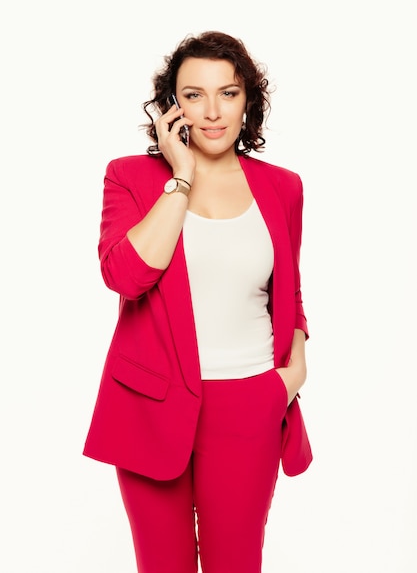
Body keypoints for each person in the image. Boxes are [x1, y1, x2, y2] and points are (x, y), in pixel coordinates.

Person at [83, 30, 312, 573]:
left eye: (228, 93)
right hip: (150, 405)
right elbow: (127, 277)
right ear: (171, 105)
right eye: (193, 95)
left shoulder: (283, 187)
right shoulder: (132, 178)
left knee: (236, 564)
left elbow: (289, 291)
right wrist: (180, 178)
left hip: (250, 402)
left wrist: (291, 374)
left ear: (247, 102)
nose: (212, 111)